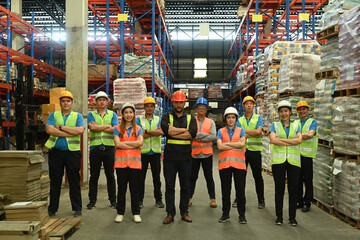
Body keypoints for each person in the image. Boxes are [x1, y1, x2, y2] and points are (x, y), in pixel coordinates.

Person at [45, 91, 85, 217]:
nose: (66, 103)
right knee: (55, 182)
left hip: (72, 153)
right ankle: (52, 208)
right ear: (60, 103)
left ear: (72, 103)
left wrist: (61, 128)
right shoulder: (53, 115)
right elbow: (49, 129)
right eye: (63, 101)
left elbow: (80, 130)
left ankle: (77, 208)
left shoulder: (77, 116)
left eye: (68, 101)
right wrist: (70, 132)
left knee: (74, 181)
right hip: (56, 153)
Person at [161, 90, 197, 224]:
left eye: (181, 102)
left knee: (185, 186)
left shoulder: (190, 118)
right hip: (170, 158)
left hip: (185, 158)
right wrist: (183, 131)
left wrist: (174, 131)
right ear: (173, 102)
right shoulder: (166, 117)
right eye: (176, 102)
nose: (179, 104)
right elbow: (166, 131)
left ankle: (184, 212)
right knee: (169, 186)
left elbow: (191, 134)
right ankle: (170, 213)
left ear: (184, 103)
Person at [269, 100, 302, 226]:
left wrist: (280, 140)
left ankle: (292, 217)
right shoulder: (275, 125)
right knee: (279, 189)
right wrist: (290, 141)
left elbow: (299, 140)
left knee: (293, 190)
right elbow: (272, 140)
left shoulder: (296, 125)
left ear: (290, 112)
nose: (284, 114)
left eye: (286, 111)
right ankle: (279, 217)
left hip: (294, 161)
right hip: (278, 161)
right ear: (279, 113)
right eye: (281, 111)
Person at [87, 91, 118, 210]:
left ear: (107, 102)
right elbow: (92, 128)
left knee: (110, 176)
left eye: (104, 100)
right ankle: (92, 201)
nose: (101, 101)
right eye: (99, 100)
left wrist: (99, 128)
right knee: (94, 176)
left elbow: (115, 129)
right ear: (96, 102)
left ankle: (113, 201)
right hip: (95, 148)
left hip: (109, 148)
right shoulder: (91, 115)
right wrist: (107, 127)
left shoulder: (112, 114)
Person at [216, 107, 247, 224]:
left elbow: (242, 143)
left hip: (239, 165)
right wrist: (236, 144)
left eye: (233, 117)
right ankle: (225, 214)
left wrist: (227, 144)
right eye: (228, 117)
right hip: (224, 165)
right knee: (225, 191)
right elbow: (219, 147)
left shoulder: (241, 130)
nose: (230, 120)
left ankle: (242, 215)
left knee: (240, 191)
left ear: (236, 119)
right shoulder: (220, 131)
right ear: (225, 119)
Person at [113, 103, 143, 223]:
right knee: (121, 189)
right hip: (121, 165)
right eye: (126, 112)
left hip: (134, 164)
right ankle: (120, 213)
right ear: (122, 114)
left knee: (135, 189)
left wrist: (124, 144)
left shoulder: (139, 128)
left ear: (134, 114)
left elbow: (140, 143)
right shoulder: (117, 129)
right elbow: (117, 144)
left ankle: (136, 213)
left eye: (131, 112)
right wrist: (133, 144)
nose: (128, 115)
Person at [236, 96, 265, 209]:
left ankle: (261, 199)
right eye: (246, 103)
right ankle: (238, 198)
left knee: (257, 176)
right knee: (240, 177)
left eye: (251, 103)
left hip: (255, 152)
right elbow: (238, 134)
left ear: (254, 106)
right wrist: (252, 133)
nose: (249, 105)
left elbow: (259, 132)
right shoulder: (239, 120)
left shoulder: (258, 118)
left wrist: (244, 132)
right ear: (243, 106)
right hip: (242, 151)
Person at [189, 97, 217, 208]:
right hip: (194, 154)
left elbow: (213, 136)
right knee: (192, 177)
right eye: (199, 107)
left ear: (206, 110)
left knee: (209, 177)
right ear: (196, 109)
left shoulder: (211, 122)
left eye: (203, 107)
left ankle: (213, 198)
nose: (201, 109)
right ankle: (189, 198)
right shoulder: (191, 121)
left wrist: (198, 137)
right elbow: (190, 135)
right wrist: (204, 135)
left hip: (207, 154)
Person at [136, 97, 164, 209]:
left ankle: (158, 200)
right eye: (147, 106)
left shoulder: (159, 119)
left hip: (155, 153)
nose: (149, 108)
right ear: (144, 107)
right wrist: (154, 132)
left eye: (151, 106)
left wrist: (146, 132)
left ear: (154, 107)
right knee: (140, 179)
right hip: (142, 153)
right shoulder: (139, 119)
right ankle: (139, 200)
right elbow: (139, 134)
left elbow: (161, 132)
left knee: (156, 178)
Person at [295, 100, 318, 212]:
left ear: (308, 110)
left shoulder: (312, 122)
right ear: (297, 111)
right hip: (296, 155)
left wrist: (297, 136)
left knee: (308, 179)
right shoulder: (295, 123)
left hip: (307, 156)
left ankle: (307, 202)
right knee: (297, 180)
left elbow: (310, 134)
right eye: (300, 109)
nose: (302, 111)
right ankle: (299, 201)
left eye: (304, 109)